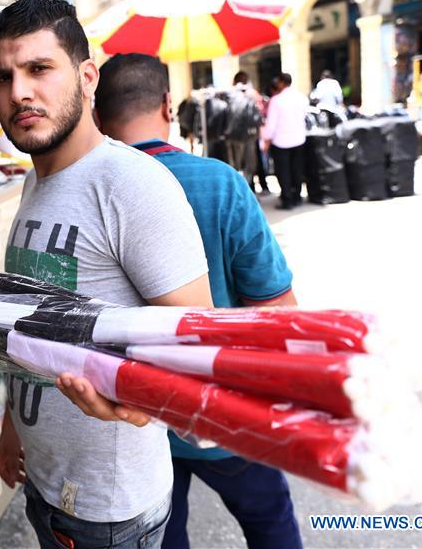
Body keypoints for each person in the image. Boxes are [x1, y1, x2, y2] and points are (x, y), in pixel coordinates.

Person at [0, 0, 212, 549]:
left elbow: (197, 341)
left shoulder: (133, 185)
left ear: (87, 77)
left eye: (39, 69)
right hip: (48, 483)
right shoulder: (36, 180)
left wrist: (138, 404)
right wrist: (12, 424)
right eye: (3, 76)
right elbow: (29, 326)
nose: (18, 92)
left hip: (111, 511)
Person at [95, 53, 302, 549]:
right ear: (169, 105)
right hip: (222, 411)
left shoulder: (90, 192)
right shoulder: (219, 182)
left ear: (98, 118)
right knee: (270, 522)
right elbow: (279, 310)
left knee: (167, 537)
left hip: (130, 422)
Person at [261, 73, 308, 210]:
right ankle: (297, 197)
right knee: (297, 169)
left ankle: (287, 200)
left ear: (281, 83)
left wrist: (266, 140)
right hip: (299, 139)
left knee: (283, 172)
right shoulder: (301, 97)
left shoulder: (277, 100)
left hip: (281, 141)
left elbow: (271, 124)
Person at [224, 71, 263, 190]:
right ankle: (246, 190)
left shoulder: (228, 94)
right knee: (249, 166)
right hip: (248, 135)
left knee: (234, 165)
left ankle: (237, 189)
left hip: (230, 135)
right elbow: (258, 115)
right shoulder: (251, 94)